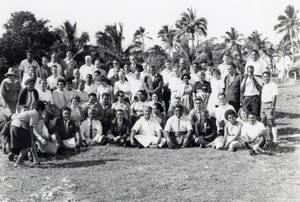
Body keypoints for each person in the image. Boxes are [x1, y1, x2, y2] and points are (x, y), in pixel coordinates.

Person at [9, 100, 45, 167]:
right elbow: (31, 127)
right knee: (28, 145)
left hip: (13, 126)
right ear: (40, 110)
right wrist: (31, 138)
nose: (41, 113)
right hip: (19, 126)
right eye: (42, 111)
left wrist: (33, 139)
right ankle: (18, 162)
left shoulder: (30, 112)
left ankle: (36, 159)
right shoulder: (36, 113)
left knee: (31, 143)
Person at [261, 71, 278, 145]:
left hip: (270, 104)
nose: (266, 78)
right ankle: (268, 139)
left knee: (271, 122)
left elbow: (274, 96)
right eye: (264, 77)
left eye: (267, 76)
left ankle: (275, 140)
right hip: (263, 105)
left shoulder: (273, 85)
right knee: (264, 122)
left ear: (270, 77)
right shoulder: (264, 85)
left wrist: (273, 107)